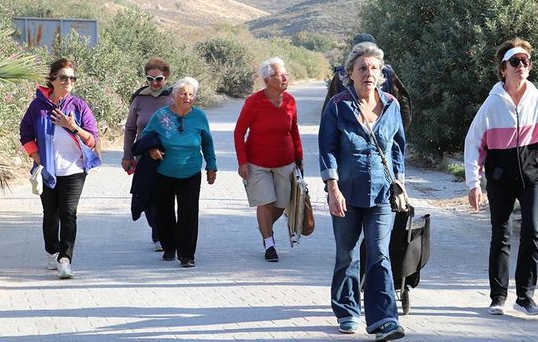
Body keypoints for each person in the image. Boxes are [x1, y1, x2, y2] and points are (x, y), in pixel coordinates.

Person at [464, 38, 538, 316]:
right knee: (501, 235)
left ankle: (526, 297)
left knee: (532, 230)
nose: (521, 66)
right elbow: (473, 144)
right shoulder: (491, 105)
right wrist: (473, 183)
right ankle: (498, 297)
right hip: (500, 178)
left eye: (525, 61)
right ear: (503, 68)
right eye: (514, 62)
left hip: (535, 176)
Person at [319, 42, 406, 340]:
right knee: (347, 254)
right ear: (350, 74)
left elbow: (397, 147)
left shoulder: (392, 105)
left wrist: (401, 182)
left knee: (380, 254)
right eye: (362, 68)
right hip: (346, 191)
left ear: (381, 74)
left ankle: (384, 319)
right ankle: (347, 311)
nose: (369, 73)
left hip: (382, 193)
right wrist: (332, 188)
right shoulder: (338, 106)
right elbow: (327, 149)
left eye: (374, 68)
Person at [19, 58, 101, 279]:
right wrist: (38, 158)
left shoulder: (79, 106)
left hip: (75, 169)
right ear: (52, 79)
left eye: (72, 78)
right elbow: (25, 133)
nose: (68, 82)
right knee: (51, 215)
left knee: (68, 213)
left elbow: (92, 139)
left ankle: (65, 259)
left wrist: (72, 127)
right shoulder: (38, 106)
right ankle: (52, 251)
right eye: (63, 77)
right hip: (48, 170)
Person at [142, 77, 217, 268]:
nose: (187, 97)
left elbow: (207, 142)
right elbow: (146, 135)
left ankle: (187, 254)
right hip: (164, 171)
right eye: (183, 93)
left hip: (191, 172)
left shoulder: (200, 116)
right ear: (174, 96)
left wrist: (211, 165)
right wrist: (152, 150)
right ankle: (169, 247)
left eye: (191, 94)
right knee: (164, 212)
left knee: (189, 213)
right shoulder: (161, 115)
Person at [233, 57, 303, 263]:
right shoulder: (253, 102)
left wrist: (299, 156)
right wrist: (242, 162)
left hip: (286, 162)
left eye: (285, 74)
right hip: (257, 163)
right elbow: (239, 133)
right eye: (278, 75)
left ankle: (264, 226)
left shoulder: (290, 100)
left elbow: (294, 130)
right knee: (265, 203)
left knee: (280, 204)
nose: (284, 78)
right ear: (266, 79)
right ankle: (269, 243)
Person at [121, 57, 173, 252]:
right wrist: (128, 156)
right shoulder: (139, 98)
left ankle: (159, 234)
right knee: (147, 196)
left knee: (164, 195)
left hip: (169, 156)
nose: (154, 83)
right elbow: (130, 128)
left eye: (158, 78)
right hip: (144, 156)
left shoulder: (173, 97)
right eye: (150, 79)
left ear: (166, 78)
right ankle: (157, 230)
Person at [322, 33, 412, 131]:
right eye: (360, 49)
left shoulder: (387, 73)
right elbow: (328, 112)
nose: (369, 73)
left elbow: (403, 100)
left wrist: (397, 130)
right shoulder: (341, 76)